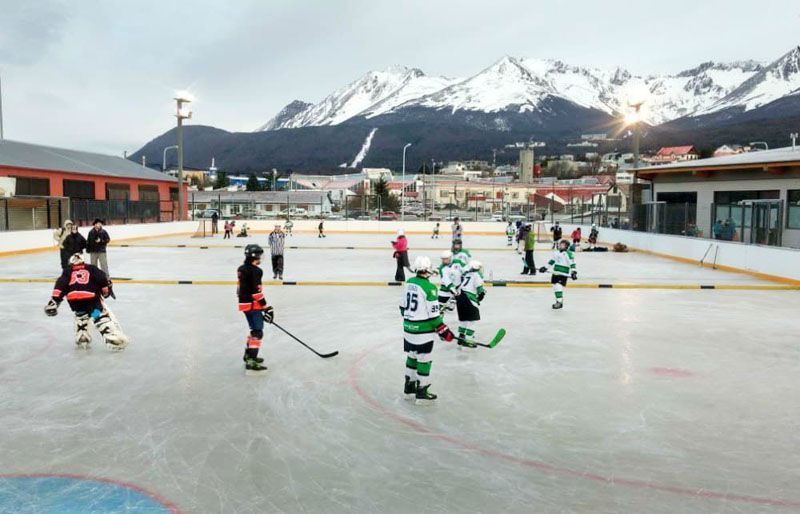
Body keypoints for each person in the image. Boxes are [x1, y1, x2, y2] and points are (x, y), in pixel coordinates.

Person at [400, 256, 456, 403]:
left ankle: (409, 387)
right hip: (422, 333)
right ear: (428, 269)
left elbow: (402, 307)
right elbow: (434, 317)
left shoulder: (409, 282)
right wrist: (444, 330)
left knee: (412, 356)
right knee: (424, 359)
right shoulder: (430, 288)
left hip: (407, 329)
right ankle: (422, 390)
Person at [44, 253, 128, 350]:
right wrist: (105, 290)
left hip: (75, 301)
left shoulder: (68, 271)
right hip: (91, 299)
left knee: (81, 315)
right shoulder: (91, 268)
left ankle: (82, 335)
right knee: (98, 315)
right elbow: (102, 277)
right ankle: (110, 336)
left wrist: (54, 301)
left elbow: (60, 284)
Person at [237, 244, 274, 372]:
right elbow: (256, 292)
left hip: (245, 305)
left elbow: (240, 289)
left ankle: (248, 356)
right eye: (259, 255)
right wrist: (265, 306)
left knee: (254, 331)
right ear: (255, 256)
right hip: (253, 305)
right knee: (258, 332)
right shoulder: (256, 271)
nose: (260, 258)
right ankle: (251, 360)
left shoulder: (242, 268)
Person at [455, 260, 486, 348]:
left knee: (464, 319)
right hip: (468, 299)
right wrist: (480, 296)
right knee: (472, 320)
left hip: (460, 298)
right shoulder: (476, 276)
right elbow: (480, 290)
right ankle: (469, 339)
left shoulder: (467, 275)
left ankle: (461, 336)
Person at [539, 239, 577, 309]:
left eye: (562, 245)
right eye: (560, 244)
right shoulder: (556, 253)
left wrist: (574, 272)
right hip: (555, 272)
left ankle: (559, 302)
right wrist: (545, 268)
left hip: (563, 273)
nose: (560, 245)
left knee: (558, 286)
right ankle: (559, 301)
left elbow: (572, 263)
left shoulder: (569, 254)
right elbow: (552, 261)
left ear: (566, 246)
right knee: (555, 287)